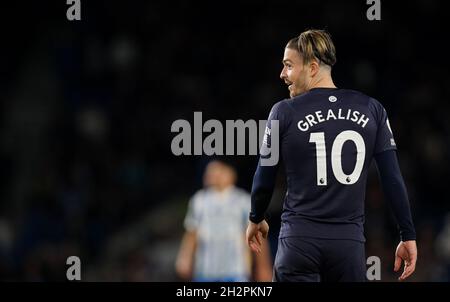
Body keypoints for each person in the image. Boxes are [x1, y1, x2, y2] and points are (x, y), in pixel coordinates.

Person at [246, 29, 417, 282]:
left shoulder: (282, 111)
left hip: (298, 242)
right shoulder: (372, 109)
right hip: (347, 248)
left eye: (289, 66)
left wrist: (256, 217)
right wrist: (407, 234)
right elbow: (392, 178)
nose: (282, 74)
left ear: (312, 67)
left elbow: (264, 175)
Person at [176, 160, 272, 282]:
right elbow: (192, 232)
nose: (213, 174)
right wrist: (185, 256)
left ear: (230, 174)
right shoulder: (199, 201)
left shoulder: (243, 201)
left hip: (236, 269)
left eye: (218, 170)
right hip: (206, 270)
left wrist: (263, 267)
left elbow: (257, 234)